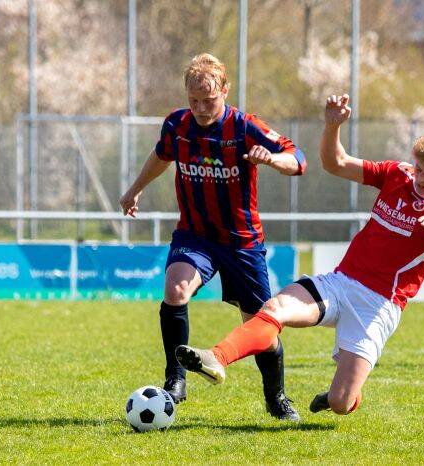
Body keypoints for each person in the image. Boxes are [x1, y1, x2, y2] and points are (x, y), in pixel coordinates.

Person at [174, 93, 424, 415]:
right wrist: (332, 126)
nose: (421, 178)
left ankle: (335, 396)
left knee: (343, 403)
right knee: (276, 307)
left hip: (378, 305)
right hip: (340, 283)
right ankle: (216, 356)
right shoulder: (396, 174)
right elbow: (335, 163)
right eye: (419, 169)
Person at [119, 53, 306, 421]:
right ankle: (176, 380)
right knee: (175, 290)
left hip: (241, 241)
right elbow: (162, 155)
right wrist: (135, 188)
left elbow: (297, 159)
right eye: (194, 100)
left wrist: (270, 160)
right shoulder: (177, 124)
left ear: (225, 90)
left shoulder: (244, 126)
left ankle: (277, 397)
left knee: (261, 326)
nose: (201, 108)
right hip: (195, 234)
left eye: (209, 100)